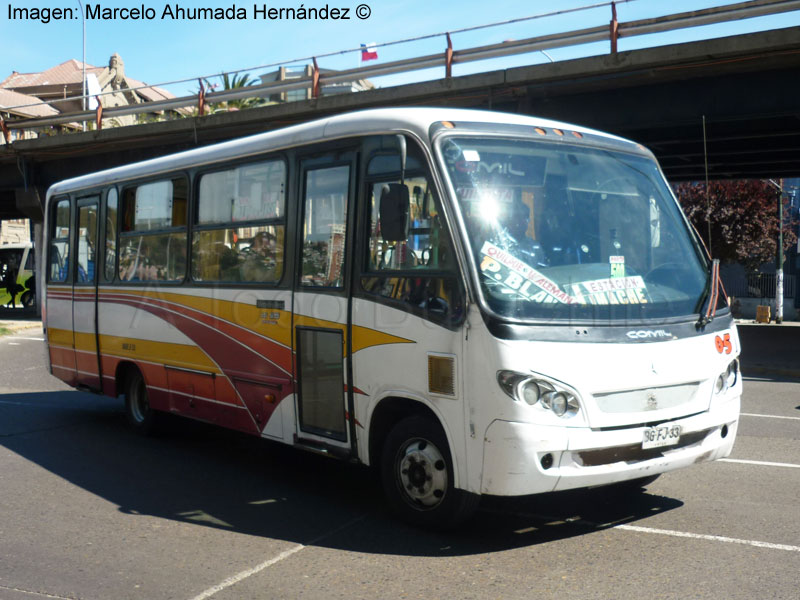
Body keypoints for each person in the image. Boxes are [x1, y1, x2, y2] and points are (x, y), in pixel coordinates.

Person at [495, 198, 548, 268]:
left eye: (525, 218)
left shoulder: (535, 246)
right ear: (509, 221)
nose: (520, 222)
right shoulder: (499, 246)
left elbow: (543, 269)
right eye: (517, 218)